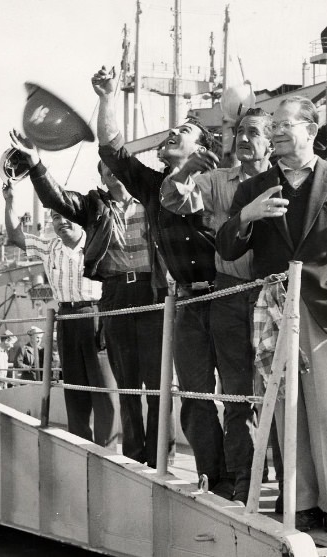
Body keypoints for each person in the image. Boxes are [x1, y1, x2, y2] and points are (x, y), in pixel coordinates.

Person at [217, 95, 327, 534]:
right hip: (275, 308)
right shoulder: (254, 188)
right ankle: (301, 501)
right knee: (286, 407)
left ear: (311, 130)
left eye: (285, 124)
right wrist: (247, 216)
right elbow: (227, 247)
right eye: (274, 126)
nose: (276, 132)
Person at [90, 67, 226, 488]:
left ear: (202, 148)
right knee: (196, 398)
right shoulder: (153, 186)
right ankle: (213, 479)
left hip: (229, 296)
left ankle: (243, 479)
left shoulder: (223, 180)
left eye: (183, 130)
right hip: (185, 302)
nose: (172, 131)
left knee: (242, 396)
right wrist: (107, 97)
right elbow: (113, 150)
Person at [11, 128, 172, 469]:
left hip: (152, 291)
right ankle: (134, 457)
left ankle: (160, 456)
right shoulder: (95, 207)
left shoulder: (153, 199)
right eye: (107, 172)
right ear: (101, 178)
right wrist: (36, 164)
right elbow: (57, 198)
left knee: (158, 383)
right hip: (115, 294)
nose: (114, 176)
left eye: (117, 170)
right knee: (126, 385)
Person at [159, 107, 275, 503]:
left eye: (253, 132)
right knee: (238, 394)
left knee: (279, 391)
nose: (243, 138)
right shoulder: (216, 180)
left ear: (271, 142)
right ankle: (243, 480)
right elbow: (175, 199)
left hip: (274, 293)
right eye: (239, 131)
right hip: (229, 293)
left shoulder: (285, 181)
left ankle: (285, 483)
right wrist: (185, 171)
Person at [4, 186, 114, 445]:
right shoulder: (48, 248)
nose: (61, 221)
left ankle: (106, 451)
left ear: (79, 216)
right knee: (74, 389)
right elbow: (16, 236)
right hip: (65, 318)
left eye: (67, 215)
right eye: (55, 217)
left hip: (96, 315)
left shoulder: (98, 242)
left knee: (102, 388)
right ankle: (80, 446)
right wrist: (9, 201)